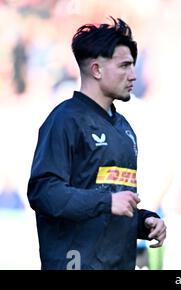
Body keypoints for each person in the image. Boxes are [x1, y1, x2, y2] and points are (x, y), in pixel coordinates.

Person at [27, 17, 166, 270]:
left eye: (133, 65)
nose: (133, 75)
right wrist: (107, 202)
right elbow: (43, 193)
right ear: (96, 70)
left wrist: (143, 221)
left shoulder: (124, 128)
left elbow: (110, 205)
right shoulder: (65, 120)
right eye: (124, 66)